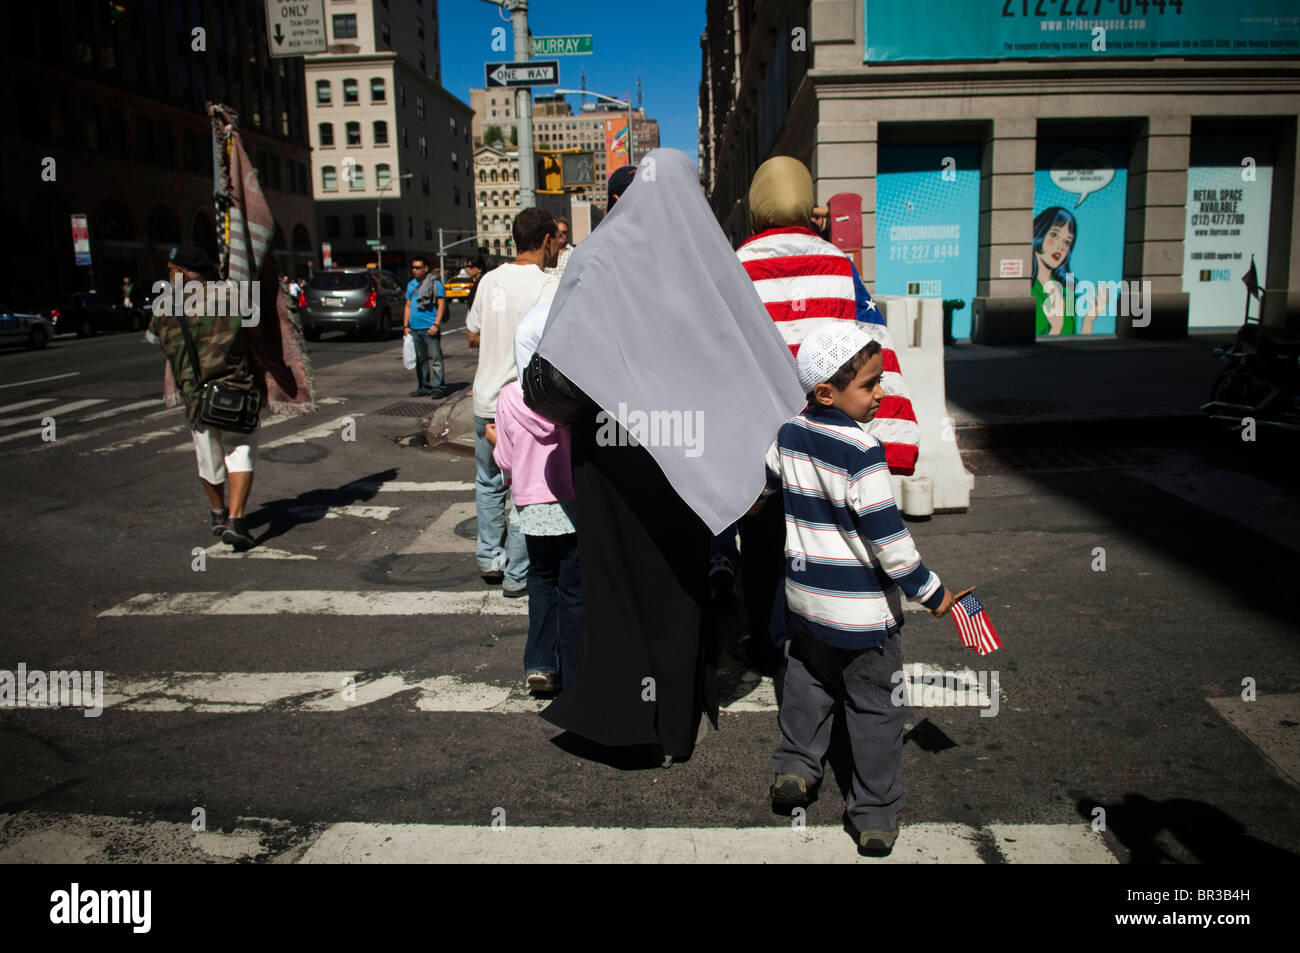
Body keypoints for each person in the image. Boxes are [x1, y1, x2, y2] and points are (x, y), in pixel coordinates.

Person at [528, 149, 805, 764]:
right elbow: (743, 360)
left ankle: (625, 720)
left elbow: (557, 360)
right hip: (681, 456)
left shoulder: (601, 255)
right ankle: (675, 721)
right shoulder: (705, 262)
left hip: (611, 455)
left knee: (617, 583)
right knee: (677, 583)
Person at [761, 321, 957, 854]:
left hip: (805, 602)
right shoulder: (863, 451)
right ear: (826, 391)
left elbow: (771, 474)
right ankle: (872, 811)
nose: (881, 392)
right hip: (864, 617)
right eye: (870, 384)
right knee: (875, 707)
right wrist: (931, 591)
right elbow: (888, 541)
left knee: (807, 683)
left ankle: (796, 769)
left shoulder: (788, 434)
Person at [728, 155, 922, 672]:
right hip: (827, 436)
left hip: (762, 443)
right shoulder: (838, 265)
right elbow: (872, 347)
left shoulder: (735, 266)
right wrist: (894, 439)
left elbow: (720, 356)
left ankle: (769, 644)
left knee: (764, 543)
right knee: (826, 535)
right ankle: (822, 636)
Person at [487, 301, 582, 693]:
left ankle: (540, 663)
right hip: (572, 504)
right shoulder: (574, 400)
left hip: (531, 507)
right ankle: (576, 667)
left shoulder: (509, 398)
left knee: (541, 582)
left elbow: (506, 462)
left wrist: (494, 440)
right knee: (574, 586)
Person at [465, 209, 560, 595]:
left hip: (485, 398)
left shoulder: (489, 280)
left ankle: (489, 557)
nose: (558, 248)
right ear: (545, 241)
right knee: (525, 489)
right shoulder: (546, 284)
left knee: (488, 482)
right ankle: (517, 574)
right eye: (556, 240)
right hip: (522, 405)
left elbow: (472, 334)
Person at [147, 244, 262, 550]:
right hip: (236, 390)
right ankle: (237, 520)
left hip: (196, 396)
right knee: (240, 451)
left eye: (171, 271)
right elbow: (258, 334)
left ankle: (218, 514)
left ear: (182, 273)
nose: (168, 276)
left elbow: (158, 341)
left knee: (208, 459)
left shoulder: (164, 305)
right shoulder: (234, 295)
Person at [1030, 206, 1105, 336]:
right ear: (1039, 233)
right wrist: (1056, 328)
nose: (1061, 246)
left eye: (1067, 242)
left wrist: (1088, 321)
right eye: (1054, 235)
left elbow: (1073, 344)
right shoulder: (1027, 287)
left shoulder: (1068, 287)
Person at [404, 256, 447, 398]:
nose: (414, 270)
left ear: (426, 268)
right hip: (415, 328)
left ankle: (438, 387)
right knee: (420, 360)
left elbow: (441, 304)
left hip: (430, 328)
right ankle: (424, 386)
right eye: (413, 267)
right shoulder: (411, 284)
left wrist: (436, 324)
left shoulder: (435, 283)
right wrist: (406, 325)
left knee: (435, 360)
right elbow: (408, 305)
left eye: (418, 267)